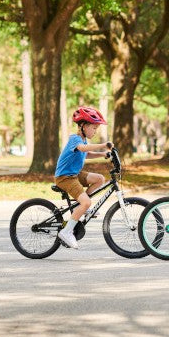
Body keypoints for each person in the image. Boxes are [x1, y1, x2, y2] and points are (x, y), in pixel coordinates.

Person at [55, 106, 113, 249]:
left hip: (75, 174)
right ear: (83, 126)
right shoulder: (75, 139)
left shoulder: (84, 141)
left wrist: (103, 154)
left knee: (99, 179)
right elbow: (82, 149)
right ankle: (67, 232)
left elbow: (86, 153)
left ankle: (82, 205)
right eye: (93, 128)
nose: (95, 131)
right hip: (65, 177)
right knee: (86, 203)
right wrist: (104, 145)